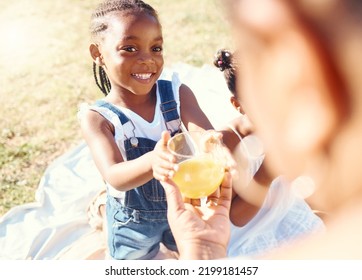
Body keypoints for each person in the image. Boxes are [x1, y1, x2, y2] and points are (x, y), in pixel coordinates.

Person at [160, 0, 362, 259]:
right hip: (247, 231)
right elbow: (235, 216)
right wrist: (270, 171)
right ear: (238, 105)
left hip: (283, 213)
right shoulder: (225, 143)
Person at [79, 0, 216, 260]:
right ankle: (103, 210)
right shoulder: (99, 118)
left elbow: (202, 132)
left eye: (156, 48)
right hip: (133, 222)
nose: (147, 60)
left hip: (183, 204)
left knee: (196, 257)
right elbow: (114, 174)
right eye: (129, 48)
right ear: (98, 54)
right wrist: (153, 160)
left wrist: (211, 142)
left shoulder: (176, 93)